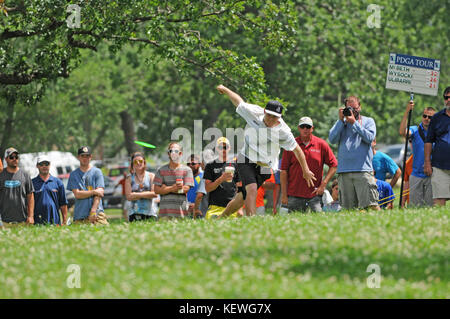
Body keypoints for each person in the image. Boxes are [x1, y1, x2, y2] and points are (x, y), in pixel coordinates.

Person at [216, 85, 315, 217]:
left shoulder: (283, 131)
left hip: (265, 166)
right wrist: (226, 90)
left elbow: (297, 150)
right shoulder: (254, 113)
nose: (271, 119)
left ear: (279, 117)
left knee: (241, 199)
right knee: (251, 189)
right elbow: (238, 102)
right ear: (264, 111)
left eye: (275, 117)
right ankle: (252, 221)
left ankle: (221, 218)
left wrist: (306, 170)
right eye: (269, 115)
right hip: (246, 158)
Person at [328, 96, 380, 211]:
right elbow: (332, 139)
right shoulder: (341, 123)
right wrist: (341, 121)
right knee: (348, 209)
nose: (352, 111)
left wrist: (355, 123)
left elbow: (370, 137)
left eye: (354, 108)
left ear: (360, 107)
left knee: (371, 205)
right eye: (349, 108)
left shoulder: (368, 121)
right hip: (344, 172)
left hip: (363, 170)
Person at [280, 116, 337, 213]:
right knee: (292, 225)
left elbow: (334, 165)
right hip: (294, 194)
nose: (305, 129)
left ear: (312, 128)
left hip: (315, 195)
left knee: (318, 223)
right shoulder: (291, 144)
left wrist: (323, 184)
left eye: (308, 126)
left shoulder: (321, 144)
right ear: (298, 128)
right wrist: (284, 195)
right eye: (302, 126)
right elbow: (284, 171)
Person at [399, 102, 435, 206]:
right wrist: (407, 112)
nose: (426, 118)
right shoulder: (415, 130)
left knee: (431, 207)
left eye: (430, 117)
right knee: (414, 207)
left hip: (431, 175)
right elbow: (402, 132)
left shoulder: (437, 132)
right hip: (416, 175)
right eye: (424, 116)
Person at [67, 146, 108, 224]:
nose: (85, 158)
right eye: (82, 156)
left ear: (91, 157)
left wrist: (93, 210)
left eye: (87, 156)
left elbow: (99, 193)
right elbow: (78, 194)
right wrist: (94, 192)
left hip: (97, 213)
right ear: (78, 157)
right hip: (80, 214)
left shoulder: (97, 172)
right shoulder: (73, 174)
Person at [424, 86, 450, 206]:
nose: (448, 100)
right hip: (439, 166)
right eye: (446, 97)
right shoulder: (436, 118)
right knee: (439, 201)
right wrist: (427, 163)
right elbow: (428, 141)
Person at [154, 142, 194, 219]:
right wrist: (173, 188)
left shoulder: (187, 170)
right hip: (164, 212)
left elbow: (186, 189)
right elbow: (156, 190)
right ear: (168, 154)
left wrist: (165, 188)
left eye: (176, 151)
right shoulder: (160, 170)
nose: (173, 153)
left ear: (180, 153)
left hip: (181, 212)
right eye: (171, 151)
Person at [203, 137, 240, 219]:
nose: (223, 150)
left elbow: (239, 187)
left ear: (229, 148)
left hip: (232, 206)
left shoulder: (235, 165)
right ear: (216, 149)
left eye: (225, 147)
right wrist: (221, 179)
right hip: (214, 207)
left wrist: (240, 208)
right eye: (220, 147)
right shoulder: (210, 165)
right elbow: (207, 188)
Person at [0, 147, 35, 225]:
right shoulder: (1, 175)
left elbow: (30, 196)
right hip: (4, 221)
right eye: (11, 157)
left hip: (23, 221)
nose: (14, 159)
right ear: (6, 159)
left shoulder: (25, 175)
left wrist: (30, 216)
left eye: (16, 157)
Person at [32, 155, 68, 225]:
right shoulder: (32, 183)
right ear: (37, 166)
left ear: (50, 165)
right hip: (37, 222)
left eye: (46, 164)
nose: (44, 166)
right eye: (41, 164)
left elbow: (63, 204)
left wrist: (64, 221)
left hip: (55, 222)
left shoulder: (58, 182)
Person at [125, 152, 158, 222]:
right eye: (135, 161)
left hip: (150, 213)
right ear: (132, 164)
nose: (138, 163)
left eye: (140, 161)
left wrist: (135, 194)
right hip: (134, 213)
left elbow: (154, 194)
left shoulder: (151, 176)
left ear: (144, 163)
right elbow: (128, 197)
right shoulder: (129, 178)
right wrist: (147, 194)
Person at [194, 149, 216, 219]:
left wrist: (196, 209)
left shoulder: (206, 176)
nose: (200, 165)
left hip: (206, 214)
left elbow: (199, 195)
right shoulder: (218, 174)